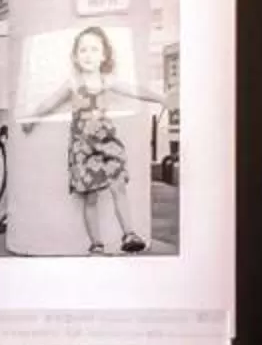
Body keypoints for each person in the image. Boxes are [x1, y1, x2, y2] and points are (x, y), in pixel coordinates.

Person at [19, 25, 164, 255]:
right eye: (83, 50)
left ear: (104, 55)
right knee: (91, 196)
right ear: (76, 56)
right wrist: (32, 118)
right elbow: (50, 102)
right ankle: (96, 244)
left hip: (107, 142)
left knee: (118, 186)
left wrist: (159, 97)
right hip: (83, 146)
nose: (88, 55)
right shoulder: (73, 83)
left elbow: (134, 90)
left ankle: (130, 234)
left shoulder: (108, 81)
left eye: (94, 49)